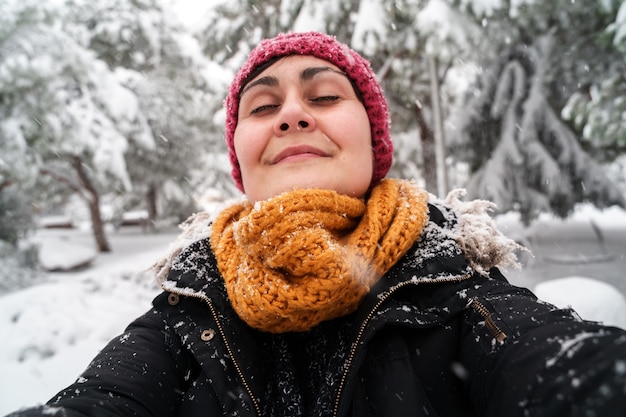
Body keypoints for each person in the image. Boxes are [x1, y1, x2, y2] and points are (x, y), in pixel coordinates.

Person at [7, 31, 626, 417]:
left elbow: (570, 371)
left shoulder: (461, 291)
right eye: (264, 105)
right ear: (241, 159)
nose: (293, 115)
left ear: (373, 142)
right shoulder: (187, 310)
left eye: (325, 96)